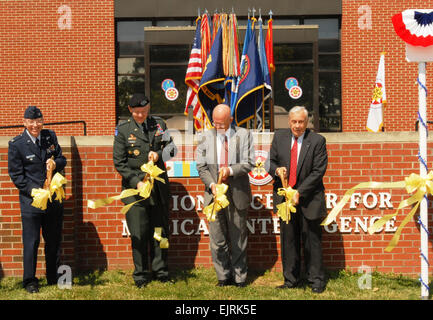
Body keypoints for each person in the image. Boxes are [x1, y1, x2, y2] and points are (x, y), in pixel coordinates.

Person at [113, 93, 176, 288]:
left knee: (160, 232)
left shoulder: (159, 124)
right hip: (136, 192)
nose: (141, 115)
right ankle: (140, 273)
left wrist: (158, 154)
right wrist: (136, 182)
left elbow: (172, 149)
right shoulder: (123, 130)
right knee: (139, 233)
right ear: (131, 110)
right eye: (137, 112)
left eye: (144, 111)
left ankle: (161, 270)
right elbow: (119, 162)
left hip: (158, 190)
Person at [8, 106, 67, 294]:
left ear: (43, 121)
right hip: (31, 202)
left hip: (53, 201)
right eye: (31, 122)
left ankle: (53, 276)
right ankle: (30, 281)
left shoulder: (50, 136)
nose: (35, 125)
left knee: (53, 240)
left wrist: (56, 162)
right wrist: (34, 192)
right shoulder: (17, 144)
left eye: (39, 121)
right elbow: (17, 175)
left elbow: (62, 158)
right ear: (24, 122)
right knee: (31, 242)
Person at [269, 106, 328, 293]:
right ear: (289, 122)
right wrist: (277, 170)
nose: (297, 125)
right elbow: (271, 162)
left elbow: (319, 171)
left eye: (301, 122)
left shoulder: (317, 140)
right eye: (294, 122)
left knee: (312, 241)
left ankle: (316, 281)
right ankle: (291, 280)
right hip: (285, 200)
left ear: (307, 122)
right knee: (289, 241)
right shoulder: (279, 137)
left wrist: (299, 192)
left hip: (309, 199)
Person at [196, 104, 255, 287]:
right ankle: (223, 275)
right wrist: (212, 184)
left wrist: (230, 170)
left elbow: (250, 162)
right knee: (217, 239)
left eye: (222, 123)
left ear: (231, 119)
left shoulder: (244, 135)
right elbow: (201, 166)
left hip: (237, 194)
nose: (218, 126)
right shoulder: (205, 137)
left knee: (238, 238)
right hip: (213, 195)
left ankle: (239, 277)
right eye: (215, 122)